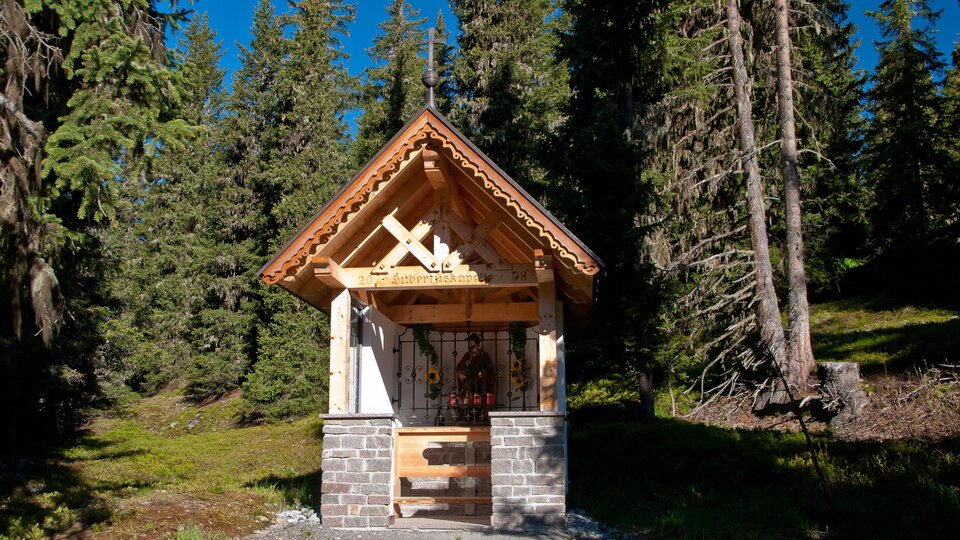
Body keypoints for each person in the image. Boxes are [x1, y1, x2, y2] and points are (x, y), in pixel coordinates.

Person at [455, 333, 495, 401]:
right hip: (469, 378)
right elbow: (459, 366)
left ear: (476, 342)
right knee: (469, 383)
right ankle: (470, 403)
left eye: (471, 341)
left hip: (480, 379)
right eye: (469, 341)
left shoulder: (484, 355)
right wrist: (461, 373)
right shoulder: (467, 355)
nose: (470, 343)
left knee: (479, 385)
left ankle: (480, 402)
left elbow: (490, 368)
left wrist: (484, 372)